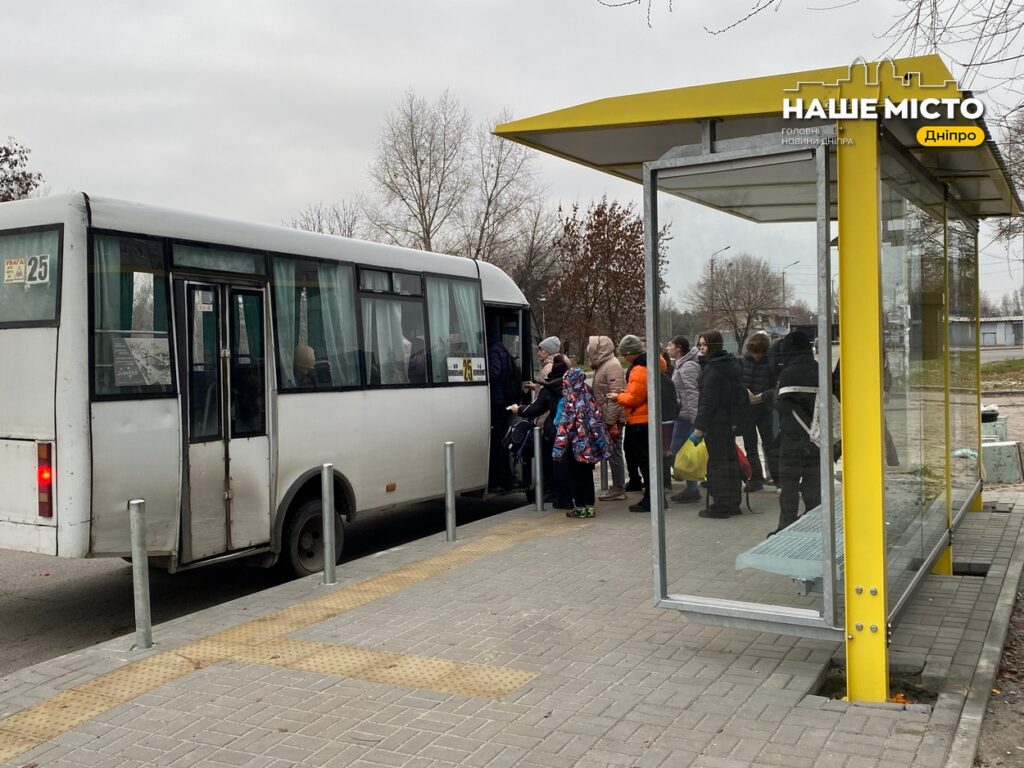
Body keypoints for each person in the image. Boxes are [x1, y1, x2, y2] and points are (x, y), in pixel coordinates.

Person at [608, 334, 666, 513]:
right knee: (648, 461)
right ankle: (655, 497)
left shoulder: (640, 369)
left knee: (645, 462)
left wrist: (618, 396)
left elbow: (634, 398)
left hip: (641, 420)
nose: (624, 358)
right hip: (647, 418)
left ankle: (652, 499)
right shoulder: (651, 364)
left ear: (632, 352)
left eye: (625, 354)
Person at [772, 331, 821, 533]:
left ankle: (787, 526)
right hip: (817, 438)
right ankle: (814, 523)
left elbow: (783, 406)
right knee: (812, 483)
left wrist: (770, 396)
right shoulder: (819, 369)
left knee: (789, 483)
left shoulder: (789, 373)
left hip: (793, 437)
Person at [692, 331, 743, 519]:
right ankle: (733, 501)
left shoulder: (713, 369)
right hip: (729, 421)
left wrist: (700, 426)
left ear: (712, 346)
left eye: (703, 345)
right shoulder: (729, 364)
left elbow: (708, 401)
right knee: (730, 461)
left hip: (716, 423)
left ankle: (721, 504)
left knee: (717, 463)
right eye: (699, 344)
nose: (700, 348)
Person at [510, 355, 571, 509]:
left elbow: (536, 408)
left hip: (557, 432)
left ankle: (563, 500)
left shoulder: (549, 390)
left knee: (557, 465)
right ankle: (584, 502)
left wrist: (518, 409)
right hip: (576, 433)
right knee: (575, 467)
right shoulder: (578, 386)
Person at [552, 367, 614, 518]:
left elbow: (564, 426)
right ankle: (589, 506)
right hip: (589, 446)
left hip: (574, 447)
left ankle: (579, 506)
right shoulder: (588, 397)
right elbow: (597, 422)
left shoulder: (570, 400)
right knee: (587, 475)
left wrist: (558, 450)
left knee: (575, 476)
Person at [587, 335, 628, 501]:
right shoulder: (603, 365)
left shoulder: (612, 366)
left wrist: (610, 421)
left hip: (613, 418)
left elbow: (616, 396)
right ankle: (618, 485)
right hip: (607, 416)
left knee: (615, 451)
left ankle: (619, 487)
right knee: (612, 451)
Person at [738, 332, 778, 491]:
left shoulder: (771, 363)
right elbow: (737, 382)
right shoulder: (742, 363)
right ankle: (755, 477)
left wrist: (763, 396)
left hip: (765, 407)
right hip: (748, 408)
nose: (756, 356)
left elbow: (777, 386)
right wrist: (744, 392)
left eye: (759, 353)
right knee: (750, 445)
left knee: (770, 445)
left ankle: (776, 477)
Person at [667, 336, 701, 504]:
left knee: (681, 451)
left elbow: (692, 393)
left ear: (679, 348)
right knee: (682, 451)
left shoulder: (688, 366)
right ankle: (692, 486)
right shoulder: (681, 364)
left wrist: (696, 421)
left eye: (670, 345)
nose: (668, 348)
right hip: (682, 415)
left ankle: (693, 488)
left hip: (687, 417)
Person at [487, 327, 519, 491]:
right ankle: (505, 477)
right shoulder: (502, 350)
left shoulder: (493, 351)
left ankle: (500, 479)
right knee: (501, 442)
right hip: (504, 400)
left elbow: (494, 372)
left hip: (497, 402)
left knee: (497, 443)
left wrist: (482, 373)